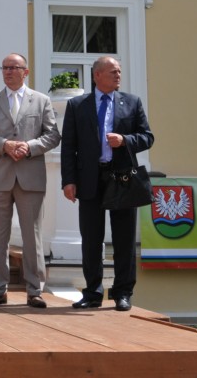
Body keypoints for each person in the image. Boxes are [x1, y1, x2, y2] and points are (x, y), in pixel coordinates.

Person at [61, 56, 154, 312]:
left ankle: (123, 293)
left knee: (124, 239)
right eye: (113, 71)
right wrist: (68, 180)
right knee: (91, 239)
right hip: (90, 178)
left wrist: (125, 140)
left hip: (122, 178)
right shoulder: (77, 105)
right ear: (97, 75)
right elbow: (68, 146)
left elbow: (147, 137)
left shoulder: (132, 102)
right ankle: (92, 292)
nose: (118, 75)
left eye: (119, 71)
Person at [0, 55, 61, 308]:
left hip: (30, 176)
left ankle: (35, 290)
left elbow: (52, 135)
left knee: (32, 236)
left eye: (14, 68)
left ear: (26, 72)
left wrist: (29, 146)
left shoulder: (41, 100)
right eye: (4, 68)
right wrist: (4, 145)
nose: (8, 72)